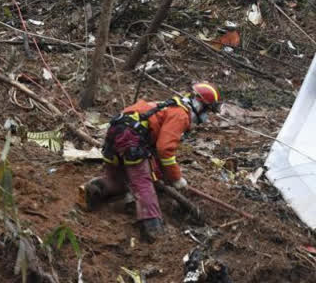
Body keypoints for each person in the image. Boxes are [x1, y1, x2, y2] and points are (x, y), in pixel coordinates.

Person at [80, 83, 222, 240]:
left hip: (117, 132)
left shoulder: (168, 106)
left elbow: (155, 151)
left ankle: (96, 189)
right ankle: (153, 230)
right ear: (199, 104)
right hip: (131, 138)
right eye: (207, 110)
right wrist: (176, 178)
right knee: (142, 183)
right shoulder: (181, 114)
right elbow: (165, 150)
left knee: (119, 179)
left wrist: (162, 176)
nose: (206, 116)